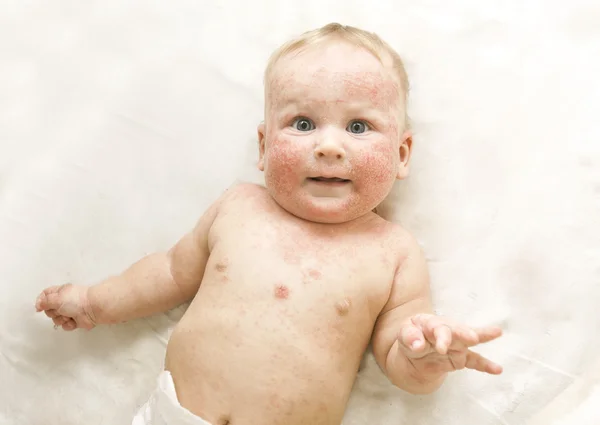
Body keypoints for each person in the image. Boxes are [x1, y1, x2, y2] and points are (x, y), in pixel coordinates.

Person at [34, 22, 503, 425]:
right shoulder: (239, 209)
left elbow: (395, 348)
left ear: (401, 155)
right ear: (262, 146)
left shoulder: (392, 251)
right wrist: (94, 302)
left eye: (358, 127)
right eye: (302, 123)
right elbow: (171, 273)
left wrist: (422, 359)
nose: (328, 146)